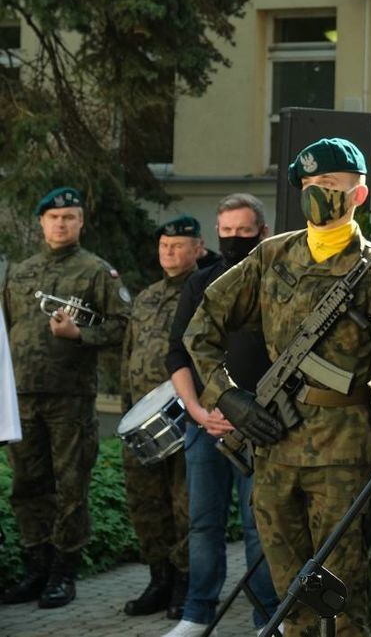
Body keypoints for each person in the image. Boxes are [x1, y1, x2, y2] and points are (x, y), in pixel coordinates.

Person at [183, 139, 371, 637]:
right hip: (273, 447)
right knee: (290, 599)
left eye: (331, 186)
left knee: (342, 599)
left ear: (358, 195)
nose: (318, 195)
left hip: (343, 455)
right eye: (311, 186)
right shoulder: (272, 256)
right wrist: (228, 397)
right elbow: (199, 327)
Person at [1, 186, 131, 609]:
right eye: (54, 218)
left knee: (70, 486)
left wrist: (80, 335)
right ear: (41, 223)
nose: (61, 224)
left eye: (70, 217)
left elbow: (124, 327)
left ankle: (63, 573)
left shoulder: (96, 272)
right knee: (26, 485)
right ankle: (35, 568)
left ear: (81, 223)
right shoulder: (19, 273)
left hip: (69, 399)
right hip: (21, 396)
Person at [162, 193, 279, 637]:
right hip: (206, 425)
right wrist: (194, 410)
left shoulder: (278, 283)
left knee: (261, 527)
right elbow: (178, 352)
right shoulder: (201, 283)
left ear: (262, 233)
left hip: (262, 426)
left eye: (243, 231)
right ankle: (197, 614)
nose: (233, 239)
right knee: (204, 523)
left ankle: (269, 620)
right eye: (225, 232)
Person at [119, 216, 201, 620]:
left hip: (183, 415)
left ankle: (187, 583)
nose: (169, 252)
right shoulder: (147, 296)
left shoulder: (204, 290)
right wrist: (125, 407)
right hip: (143, 419)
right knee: (146, 501)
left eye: (179, 245)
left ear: (198, 249)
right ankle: (160, 578)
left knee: (185, 502)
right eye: (164, 245)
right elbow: (128, 355)